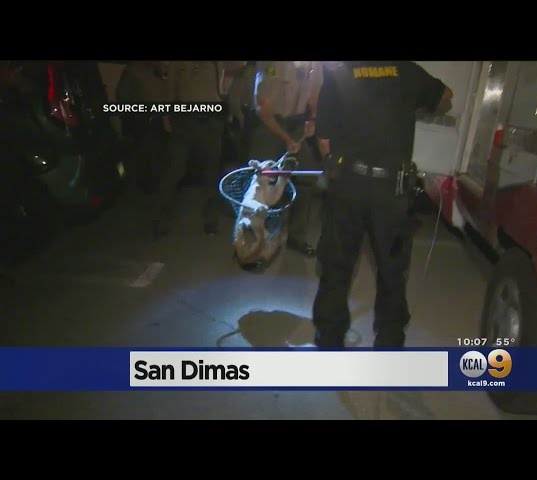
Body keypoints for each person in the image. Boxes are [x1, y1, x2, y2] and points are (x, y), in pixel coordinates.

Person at [312, 61, 453, 348]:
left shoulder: (339, 73)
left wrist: (337, 166)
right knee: (392, 269)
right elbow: (446, 99)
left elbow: (324, 140)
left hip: (348, 187)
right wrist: (415, 103)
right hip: (392, 191)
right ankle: (389, 340)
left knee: (336, 265)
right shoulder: (407, 70)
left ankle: (329, 337)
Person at [249, 61, 323, 257]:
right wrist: (287, 139)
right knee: (265, 182)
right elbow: (262, 108)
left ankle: (296, 237)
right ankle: (258, 239)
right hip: (270, 124)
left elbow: (315, 89)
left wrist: (312, 119)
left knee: (306, 178)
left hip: (298, 122)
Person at [154, 61, 234, 236]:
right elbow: (170, 90)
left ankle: (211, 218)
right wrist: (166, 118)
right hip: (185, 121)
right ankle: (162, 217)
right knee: (174, 170)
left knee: (212, 171)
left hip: (211, 121)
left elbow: (232, 71)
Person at [116, 61, 173, 196]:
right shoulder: (132, 71)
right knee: (146, 153)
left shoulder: (157, 69)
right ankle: (147, 184)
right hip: (142, 120)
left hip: (157, 120)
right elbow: (122, 96)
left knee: (158, 151)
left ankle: (155, 182)